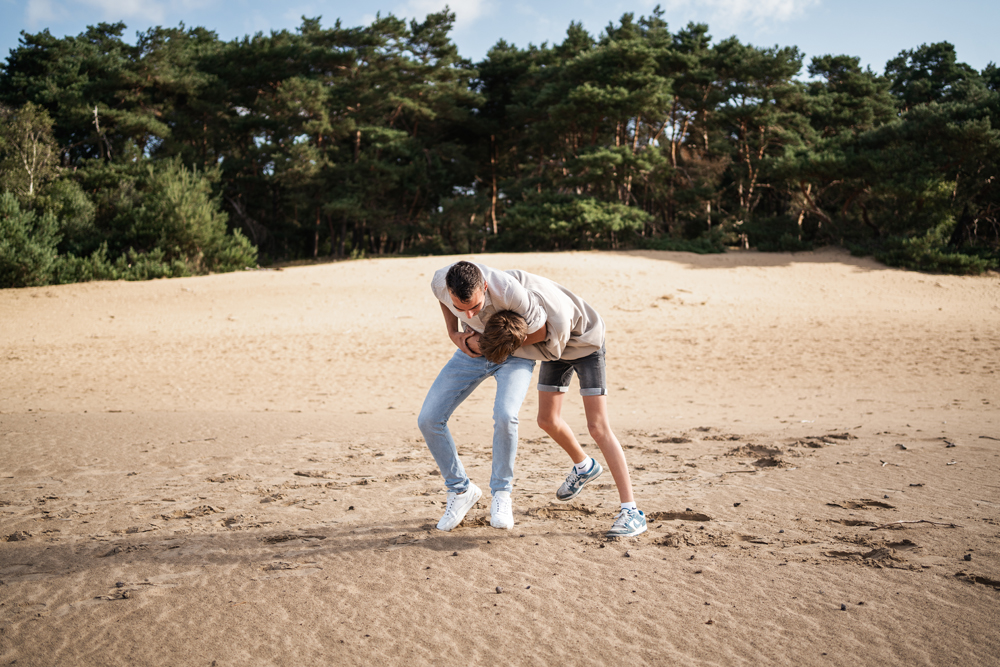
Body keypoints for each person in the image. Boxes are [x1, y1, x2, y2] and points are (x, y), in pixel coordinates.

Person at [477, 270, 647, 537]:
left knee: (597, 427)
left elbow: (552, 344)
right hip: (555, 348)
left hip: (586, 343)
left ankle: (632, 512)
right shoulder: (517, 311)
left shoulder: (553, 319)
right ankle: (585, 466)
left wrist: (512, 347)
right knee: (547, 420)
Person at [418, 261, 547, 532]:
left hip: (515, 355)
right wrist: (454, 334)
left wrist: (493, 343)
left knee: (506, 416)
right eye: (461, 308)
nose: (469, 313)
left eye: (475, 306)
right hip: (471, 352)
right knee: (428, 419)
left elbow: (541, 331)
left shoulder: (510, 292)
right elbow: (442, 300)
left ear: (485, 287)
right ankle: (460, 490)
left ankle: (501, 494)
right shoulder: (440, 282)